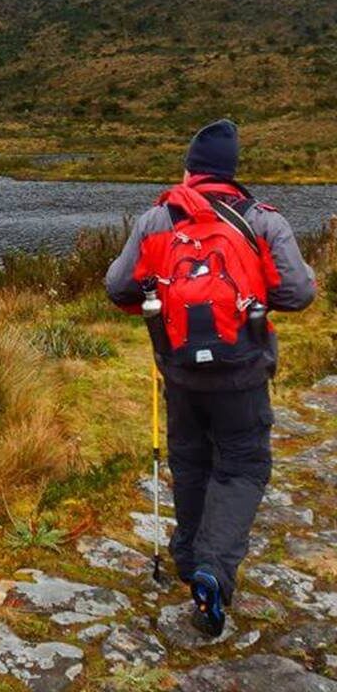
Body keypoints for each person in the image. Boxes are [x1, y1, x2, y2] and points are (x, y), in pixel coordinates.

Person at [105, 119, 316, 636]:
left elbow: (117, 287)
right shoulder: (262, 220)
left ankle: (188, 560)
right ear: (231, 170)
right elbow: (299, 293)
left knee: (192, 463)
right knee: (242, 467)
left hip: (179, 373)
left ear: (191, 168)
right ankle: (213, 571)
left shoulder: (156, 218)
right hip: (241, 373)